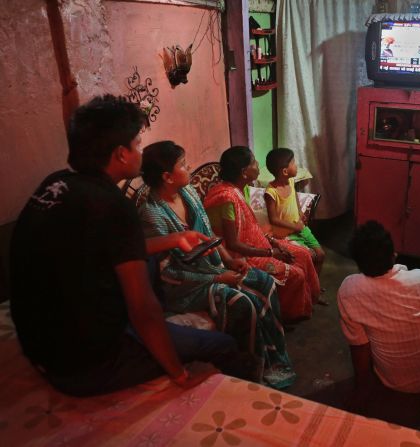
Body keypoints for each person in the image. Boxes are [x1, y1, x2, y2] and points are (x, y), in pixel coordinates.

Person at [9, 95, 258, 397]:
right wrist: (179, 374)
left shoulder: (55, 185)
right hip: (87, 366)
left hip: (42, 352)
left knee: (148, 261)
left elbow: (105, 246)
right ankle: (246, 398)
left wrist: (172, 239)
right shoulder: (115, 206)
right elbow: (143, 310)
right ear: (121, 154)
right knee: (223, 346)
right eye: (138, 144)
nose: (141, 151)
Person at [138, 141, 296, 389]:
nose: (189, 167)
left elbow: (210, 232)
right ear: (167, 177)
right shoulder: (152, 214)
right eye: (183, 164)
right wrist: (217, 278)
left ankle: (276, 357)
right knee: (243, 302)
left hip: (214, 266)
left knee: (265, 282)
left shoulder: (188, 193)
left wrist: (229, 260)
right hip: (186, 285)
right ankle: (254, 368)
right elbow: (167, 273)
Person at [338, 220, 420, 397]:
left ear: (358, 263)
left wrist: (362, 389)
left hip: (393, 382)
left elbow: (359, 346)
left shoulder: (348, 290)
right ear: (394, 255)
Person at [204, 146, 320, 322]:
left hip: (257, 243)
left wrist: (274, 243)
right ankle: (283, 315)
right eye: (253, 162)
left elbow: (250, 227)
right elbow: (233, 244)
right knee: (296, 274)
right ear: (244, 172)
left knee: (302, 254)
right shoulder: (227, 198)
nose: (258, 165)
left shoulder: (241, 189)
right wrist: (271, 252)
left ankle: (308, 300)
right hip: (239, 255)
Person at [264, 147, 326, 276]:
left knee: (320, 254)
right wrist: (294, 226)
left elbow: (295, 197)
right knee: (307, 258)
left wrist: (300, 212)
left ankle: (315, 287)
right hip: (286, 235)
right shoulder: (271, 192)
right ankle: (307, 285)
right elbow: (273, 219)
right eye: (293, 163)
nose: (296, 166)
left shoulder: (291, 181)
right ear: (285, 171)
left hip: (300, 227)